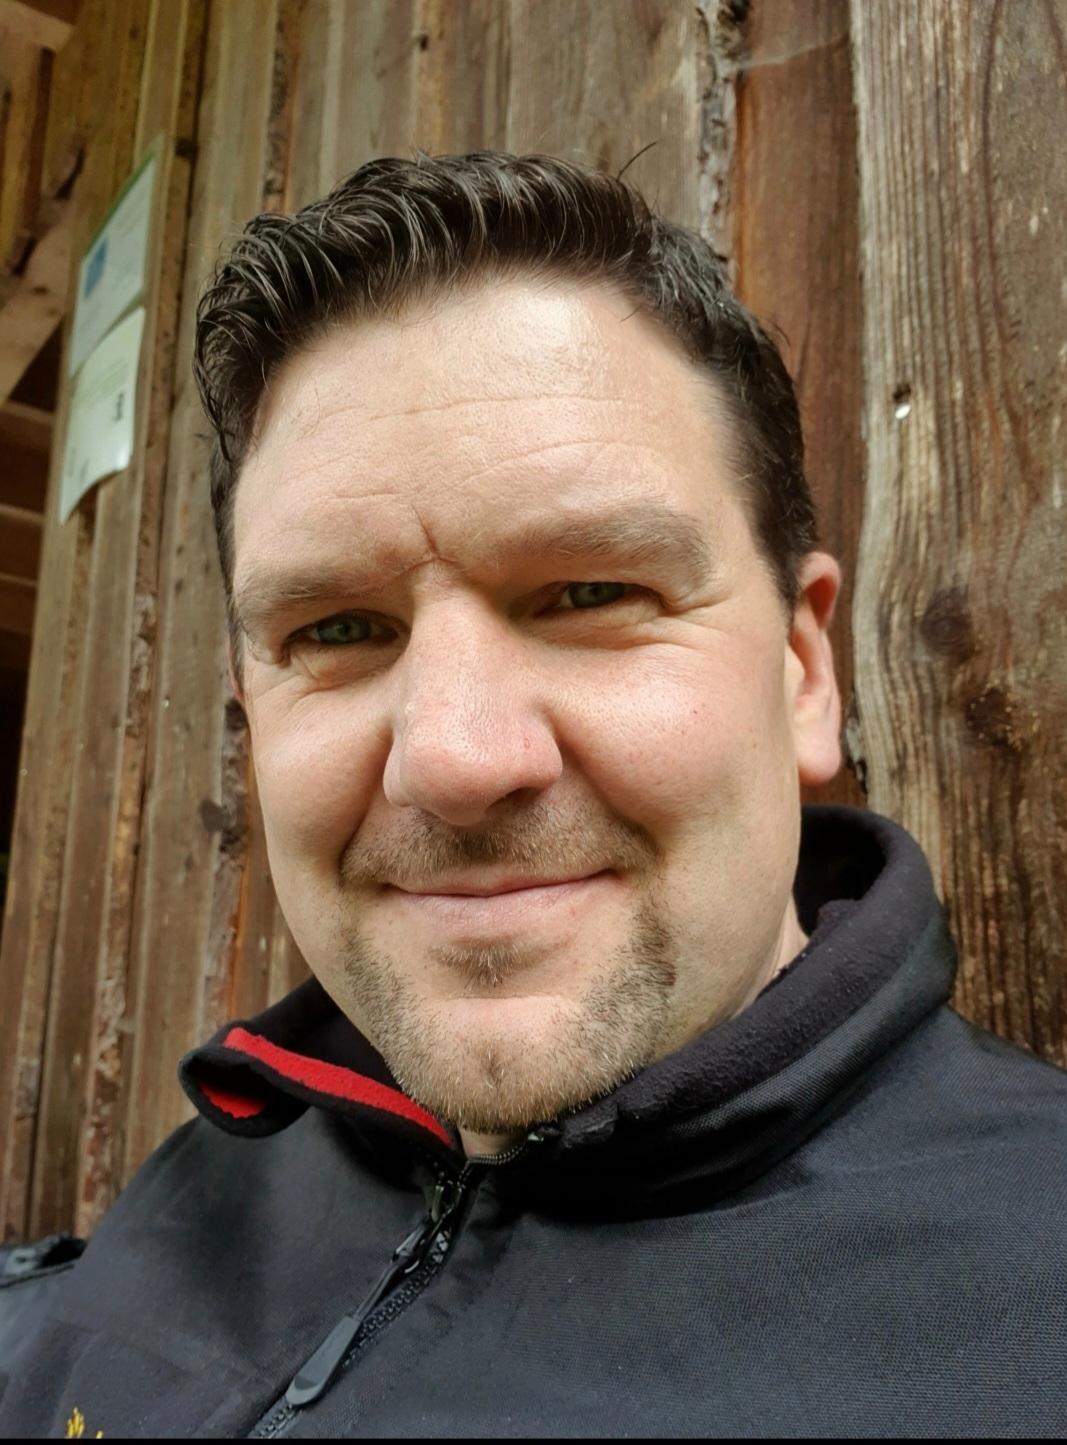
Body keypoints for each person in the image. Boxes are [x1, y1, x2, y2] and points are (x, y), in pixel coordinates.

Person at [2, 151, 1065, 1440]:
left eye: (591, 593)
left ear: (801, 671)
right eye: (337, 628)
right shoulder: (237, 1144)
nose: (455, 759)